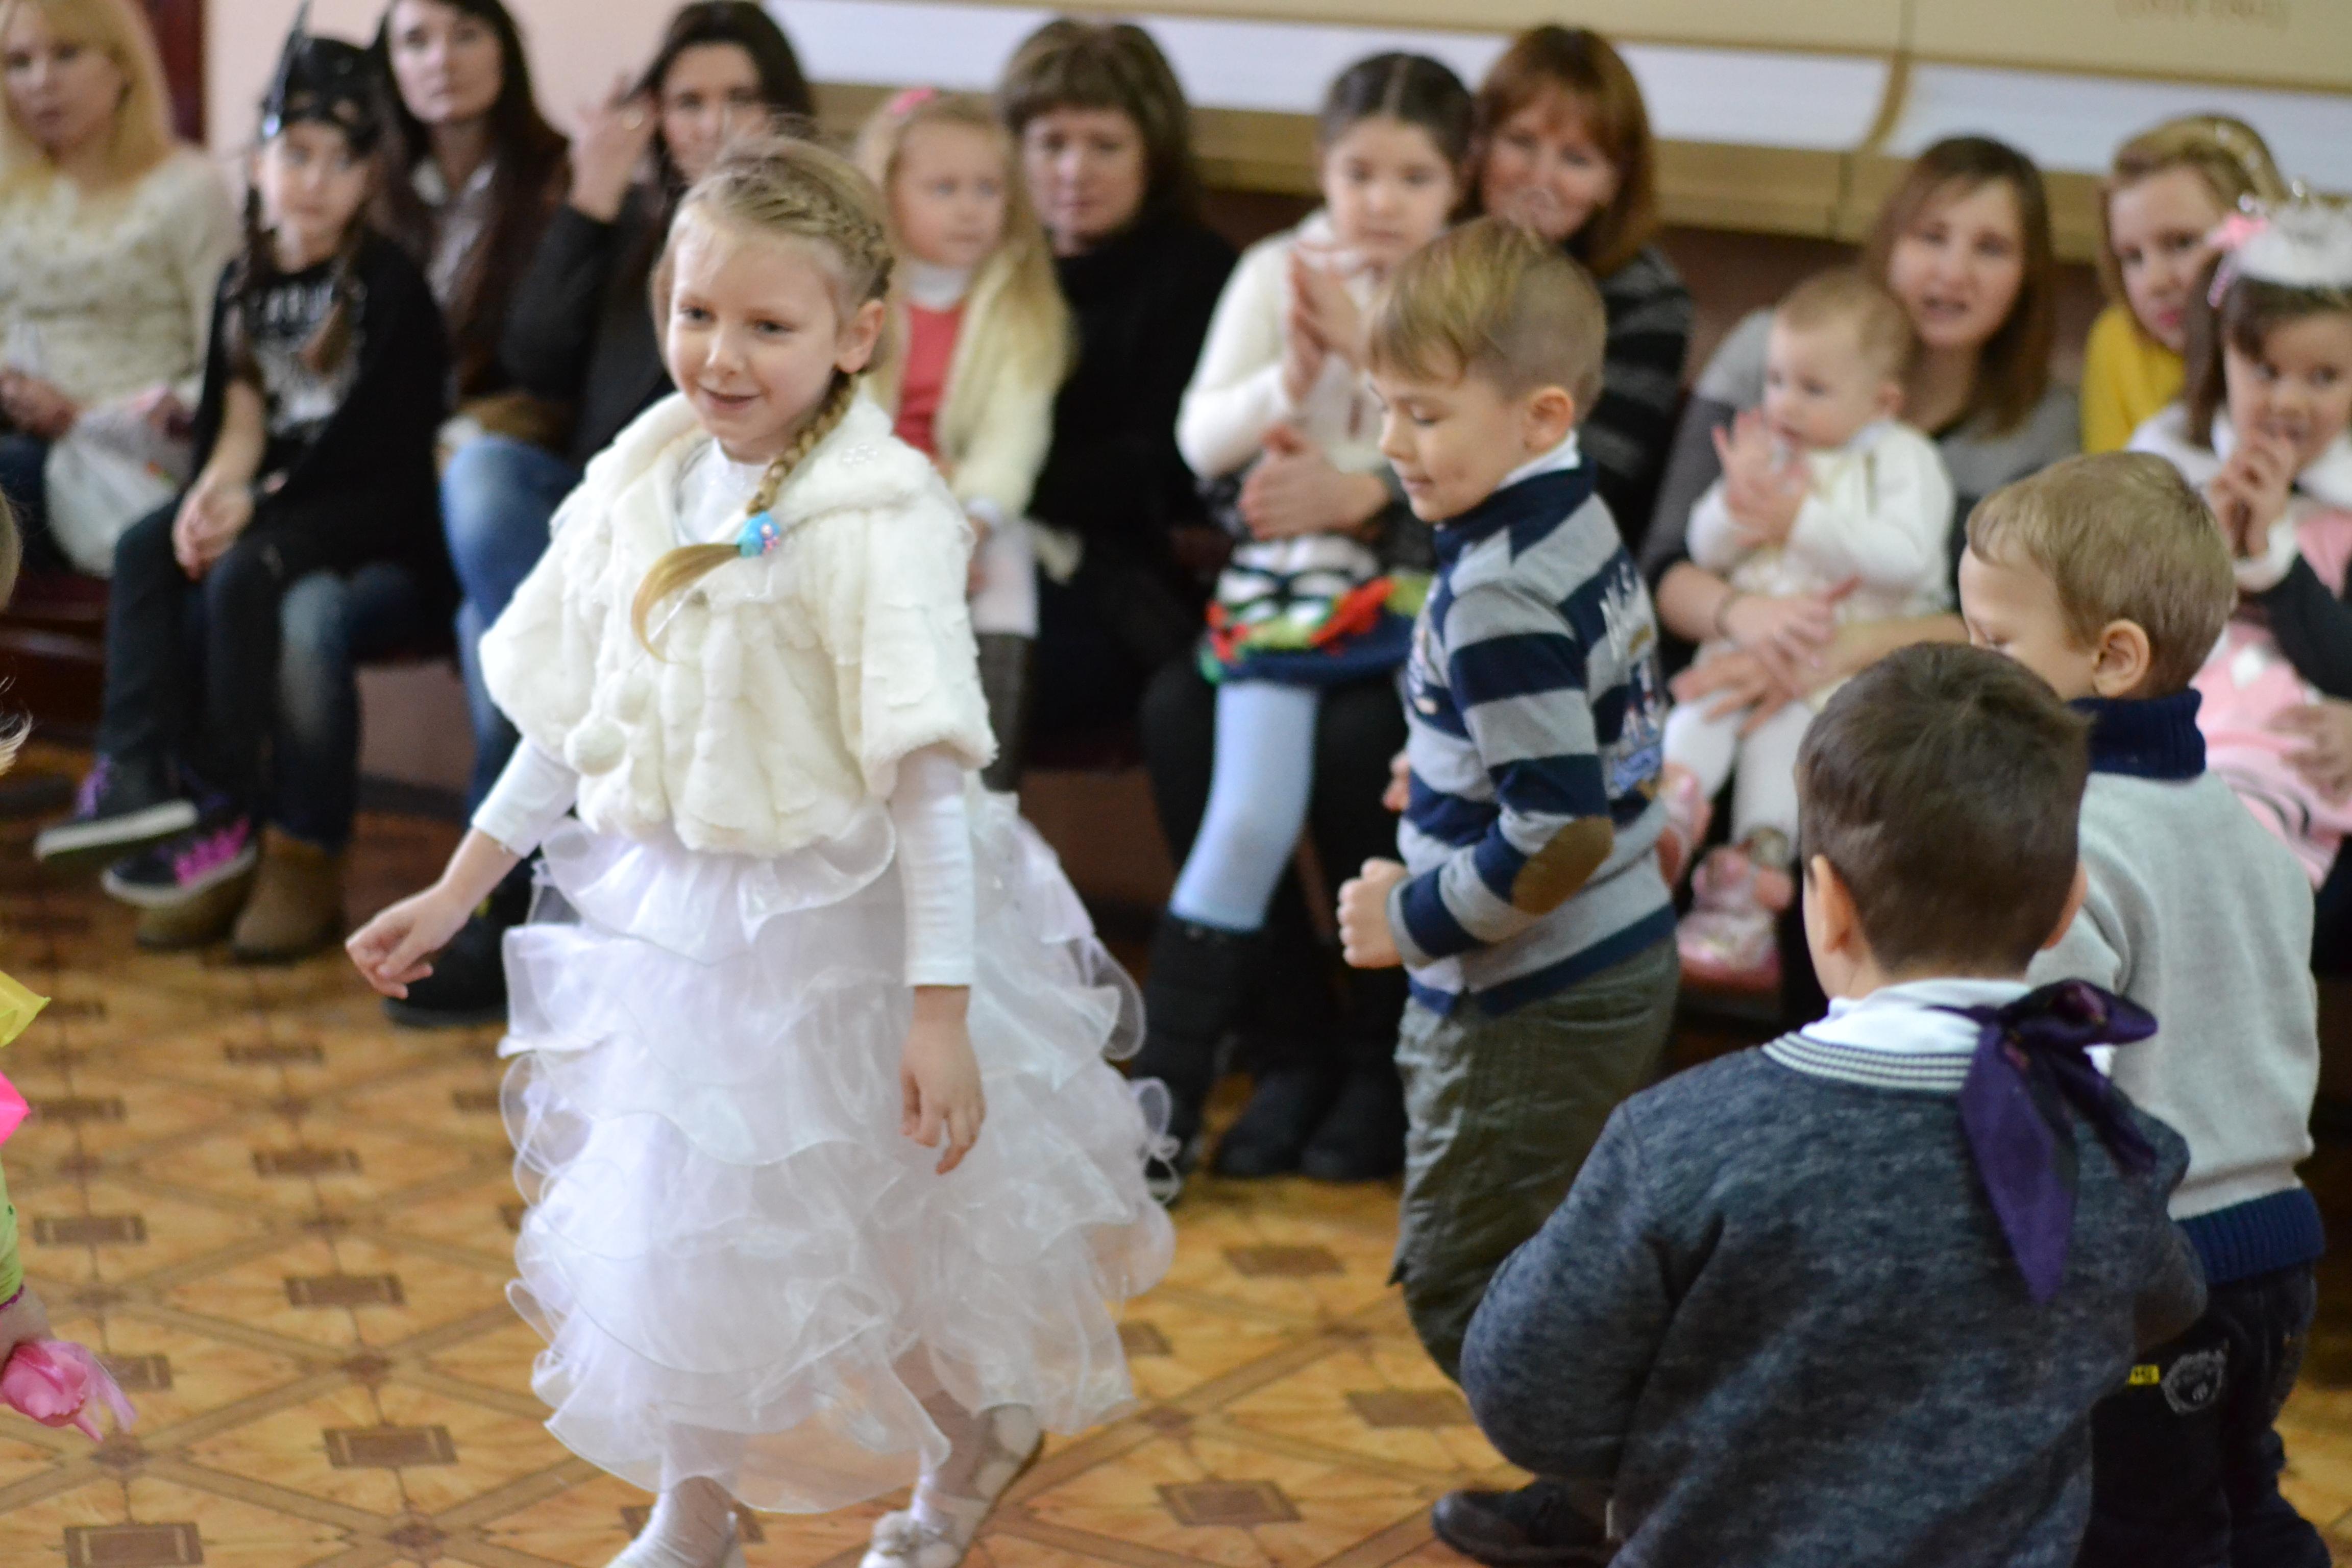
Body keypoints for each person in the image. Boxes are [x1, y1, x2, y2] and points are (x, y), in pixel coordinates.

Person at [347, 134, 1171, 1568]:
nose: (721, 356)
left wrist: (937, 1013)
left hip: (842, 936)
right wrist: (456, 886)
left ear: (857, 334)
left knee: (864, 1241)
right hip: (672, 927)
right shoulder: (640, 481)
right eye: (696, 312)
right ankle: (697, 1505)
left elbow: (930, 789)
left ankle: (969, 1431)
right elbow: (575, 724)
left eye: (769, 326)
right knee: (683, 1223)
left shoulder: (881, 519)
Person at [1458, 643, 2205, 1565]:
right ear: (2066, 908)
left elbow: (1522, 1391)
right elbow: (2166, 1300)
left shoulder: (1679, 1139)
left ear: (1827, 904)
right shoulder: (2108, 1142)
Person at [1330, 217, 1677, 1566]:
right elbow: (1583, 738)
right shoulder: (1569, 516)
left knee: (1468, 1283)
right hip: (1618, 954)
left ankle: (1643, 1489)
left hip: (1531, 986)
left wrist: (1406, 919)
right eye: (1384, 408)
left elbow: (1562, 834)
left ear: (1540, 414)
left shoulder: (1498, 591)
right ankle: (1619, 1487)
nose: (1392, 443)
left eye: (1423, 414)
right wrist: (1443, 773)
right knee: (1566, 1265)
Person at [397, 0, 814, 1028]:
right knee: (485, 478)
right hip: (597, 526)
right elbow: (535, 361)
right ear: (656, 117)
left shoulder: (812, 251)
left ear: (783, 109)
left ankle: (505, 907)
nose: (714, 124)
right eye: (688, 101)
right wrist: (590, 197)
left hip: (729, 536)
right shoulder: (633, 230)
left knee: (491, 624)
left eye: (739, 98)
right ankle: (540, 870)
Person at [1958, 454, 2325, 1565]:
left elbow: (2050, 1087)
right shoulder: (2251, 837)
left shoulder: (2072, 843)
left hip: (2159, 1271)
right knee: (2239, 1496)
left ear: (2112, 658)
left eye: (1995, 644)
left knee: (2136, 1532)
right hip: (2279, 1251)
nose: (1970, 668)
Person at [31, 19, 449, 963]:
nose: (315, 180)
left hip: (367, 518)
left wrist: (253, 509)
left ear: (371, 178)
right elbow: (240, 426)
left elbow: (377, 458)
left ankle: (231, 810)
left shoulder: (390, 287)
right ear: (257, 163)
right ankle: (135, 771)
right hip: (278, 508)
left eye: (342, 161)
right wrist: (211, 494)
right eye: (295, 154)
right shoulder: (242, 282)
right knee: (150, 544)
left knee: (246, 575)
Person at [1644, 135, 2076, 1016]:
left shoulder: (2038, 426)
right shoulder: (1778, 349)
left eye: (1990, 248)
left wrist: (1830, 650)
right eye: (1931, 236)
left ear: (2028, 277)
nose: (1952, 272)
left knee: (1858, 792)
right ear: (1889, 242)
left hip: (1907, 694)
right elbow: (1669, 565)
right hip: (1724, 655)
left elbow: (2025, 630)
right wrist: (1752, 621)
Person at [1135, 52, 1464, 1197]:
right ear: (1320, 166)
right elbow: (1202, 442)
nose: (1382, 201)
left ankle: (1375, 1066)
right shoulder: (1276, 269)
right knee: (1245, 815)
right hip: (1289, 604)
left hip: (1423, 610)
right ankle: (1173, 1105)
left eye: (1414, 177)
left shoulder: (1464, 287)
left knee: (1359, 765)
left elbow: (1473, 455)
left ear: (1457, 182)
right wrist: (1293, 377)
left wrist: (1368, 352)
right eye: (1359, 172)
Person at [1657, 269, 1952, 989]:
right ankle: (1668, 816)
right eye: (1777, 380)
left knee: (1784, 758)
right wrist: (1732, 504)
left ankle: (1749, 888)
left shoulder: (1903, 457)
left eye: (1813, 389)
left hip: (1833, 669)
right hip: (1747, 643)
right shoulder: (1770, 450)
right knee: (1700, 708)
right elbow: (1702, 552)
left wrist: (1801, 522)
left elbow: (1908, 558)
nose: (1785, 403)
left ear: (1882, 402)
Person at [999, 19, 1235, 745]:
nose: (1075, 171)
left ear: (1152, 156)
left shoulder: (1197, 273)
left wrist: (989, 482)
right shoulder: (989, 267)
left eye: (1105, 146)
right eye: (1052, 144)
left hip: (1121, 590)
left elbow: (1152, 470)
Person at [2129, 197, 2352, 887]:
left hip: (2293, 763)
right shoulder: (2169, 464)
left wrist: (2273, 558)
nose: (2288, 402)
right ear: (2219, 356)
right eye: (2265, 371)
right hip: (2165, 733)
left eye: (2324, 378)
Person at [854, 87, 1070, 792]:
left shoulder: (1022, 305)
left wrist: (970, 523)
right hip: (865, 500)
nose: (971, 208)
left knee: (1009, 571)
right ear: (888, 194)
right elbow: (838, 421)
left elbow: (1014, 440)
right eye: (944, 189)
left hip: (969, 509)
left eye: (988, 188)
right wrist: (909, 505)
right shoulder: (853, 294)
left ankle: (987, 792)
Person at [0, 0, 235, 575]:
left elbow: (229, 370)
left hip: (134, 464)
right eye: (19, 62)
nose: (41, 82)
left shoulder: (190, 189)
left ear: (123, 65)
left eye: (67, 54)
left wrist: (89, 415)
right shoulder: (10, 194)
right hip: (19, 443)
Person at [1467, 24, 1690, 545]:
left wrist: (1379, 492)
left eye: (1576, 159)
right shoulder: (1428, 255)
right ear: (1479, 145)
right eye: (1520, 141)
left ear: (1614, 178)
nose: (1540, 178)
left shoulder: (1650, 302)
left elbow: (1584, 481)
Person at [372, 0, 568, 411]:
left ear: (505, 53)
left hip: (509, 423)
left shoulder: (561, 180)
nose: (442, 61)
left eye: (466, 36)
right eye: (416, 42)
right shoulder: (371, 188)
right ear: (390, 65)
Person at [2081, 115, 2284, 455]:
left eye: (2181, 243)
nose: (2156, 283)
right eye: (2132, 257)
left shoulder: (2310, 337)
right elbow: (2105, 484)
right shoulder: (2118, 339)